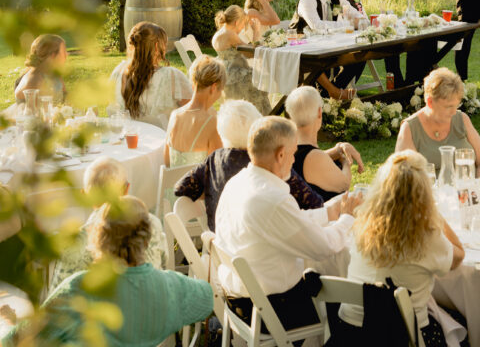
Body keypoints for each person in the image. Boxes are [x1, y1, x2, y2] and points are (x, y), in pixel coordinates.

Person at [214, 116, 362, 331]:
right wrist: (347, 217)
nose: (294, 160)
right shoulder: (272, 199)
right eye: (293, 153)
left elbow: (286, 222)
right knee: (344, 293)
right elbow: (324, 248)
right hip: (273, 310)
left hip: (238, 298)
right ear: (281, 154)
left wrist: (328, 213)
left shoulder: (238, 182)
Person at [22, 196, 213, 347]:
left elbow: (26, 337)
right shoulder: (171, 286)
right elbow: (207, 299)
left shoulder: (79, 288)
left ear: (99, 241)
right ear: (146, 240)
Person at [337, 151, 465, 347]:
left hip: (349, 335)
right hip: (404, 336)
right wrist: (434, 213)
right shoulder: (425, 235)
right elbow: (458, 257)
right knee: (460, 324)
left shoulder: (361, 224)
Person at [174, 99, 324, 230]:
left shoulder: (214, 160)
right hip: (262, 248)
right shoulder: (266, 162)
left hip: (219, 248)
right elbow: (315, 204)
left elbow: (181, 187)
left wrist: (211, 189)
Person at [49, 158, 167, 291]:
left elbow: (56, 297)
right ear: (126, 189)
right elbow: (163, 265)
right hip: (153, 303)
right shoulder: (151, 223)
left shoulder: (73, 244)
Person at [395, 68, 480, 176]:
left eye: (456, 105)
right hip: (429, 192)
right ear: (430, 102)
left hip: (468, 190)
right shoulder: (410, 128)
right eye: (448, 107)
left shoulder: (462, 119)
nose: (454, 112)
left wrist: (476, 188)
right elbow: (403, 178)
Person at [292, 0, 364, 100]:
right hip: (302, 48)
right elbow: (317, 26)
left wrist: (360, 20)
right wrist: (347, 24)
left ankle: (330, 92)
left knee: (360, 57)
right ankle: (332, 92)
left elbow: (355, 15)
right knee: (322, 61)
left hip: (326, 46)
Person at [286, 85, 364, 200]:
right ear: (319, 113)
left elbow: (308, 157)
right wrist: (345, 161)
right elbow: (344, 184)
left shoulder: (288, 149)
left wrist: (338, 148)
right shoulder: (314, 157)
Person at [110, 22, 191, 129]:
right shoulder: (171, 76)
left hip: (126, 140)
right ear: (157, 46)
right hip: (164, 143)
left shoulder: (118, 72)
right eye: (164, 43)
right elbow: (196, 112)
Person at [164, 55, 224, 167]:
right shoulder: (213, 123)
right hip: (201, 184)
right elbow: (217, 170)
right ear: (214, 87)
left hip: (171, 184)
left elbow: (167, 162)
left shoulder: (175, 115)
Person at [211, 5, 272, 112]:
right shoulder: (230, 34)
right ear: (237, 22)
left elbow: (244, 50)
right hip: (236, 78)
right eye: (243, 24)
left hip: (226, 74)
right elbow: (251, 53)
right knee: (259, 91)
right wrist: (256, 31)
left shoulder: (219, 33)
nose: (243, 27)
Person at [14, 34, 67, 105]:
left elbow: (65, 97)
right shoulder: (34, 81)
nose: (67, 54)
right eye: (64, 51)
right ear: (53, 55)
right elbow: (38, 113)